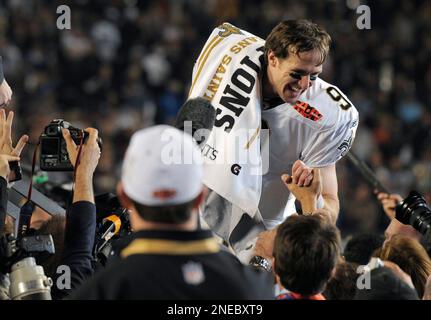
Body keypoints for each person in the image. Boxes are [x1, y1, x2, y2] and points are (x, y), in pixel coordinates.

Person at [188, 20, 359, 261]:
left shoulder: (328, 115)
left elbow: (330, 202)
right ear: (272, 58)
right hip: (207, 206)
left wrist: (312, 202)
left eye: (314, 76)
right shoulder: (230, 57)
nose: (304, 85)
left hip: (263, 233)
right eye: (297, 73)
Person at [69, 125, 273, 299]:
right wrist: (261, 259)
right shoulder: (250, 286)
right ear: (200, 197)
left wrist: (82, 174)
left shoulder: (104, 289)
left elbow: (75, 273)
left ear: (124, 196)